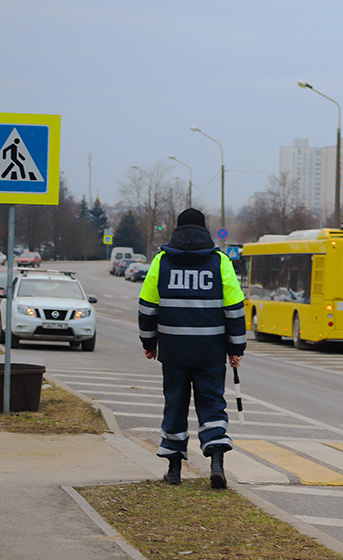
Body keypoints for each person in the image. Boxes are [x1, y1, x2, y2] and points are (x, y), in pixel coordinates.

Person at [138, 209, 246, 489]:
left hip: (174, 352)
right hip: (210, 352)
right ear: (204, 230)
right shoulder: (220, 262)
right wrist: (236, 348)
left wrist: (149, 343)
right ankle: (217, 465)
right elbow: (234, 309)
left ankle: (174, 471)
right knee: (212, 403)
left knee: (175, 404)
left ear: (177, 230)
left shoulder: (162, 262)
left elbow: (147, 307)